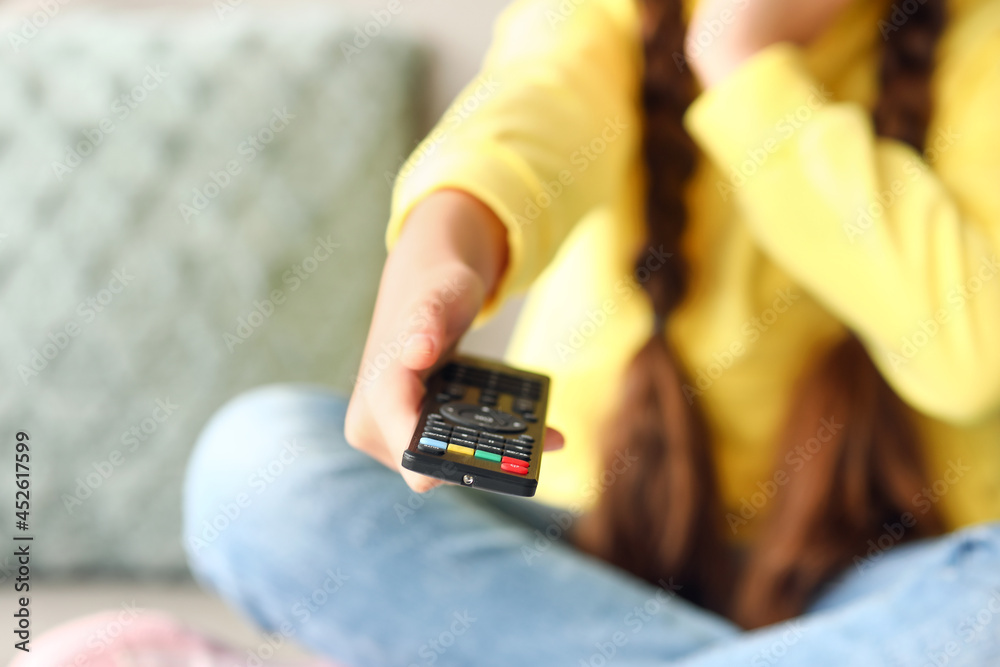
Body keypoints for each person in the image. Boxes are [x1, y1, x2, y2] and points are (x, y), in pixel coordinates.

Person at [183, 0, 1000, 663]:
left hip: (880, 581)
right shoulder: (609, 15)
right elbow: (522, 122)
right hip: (580, 554)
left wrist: (743, 62)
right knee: (256, 466)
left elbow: (973, 354)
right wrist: (436, 261)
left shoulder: (981, 41)